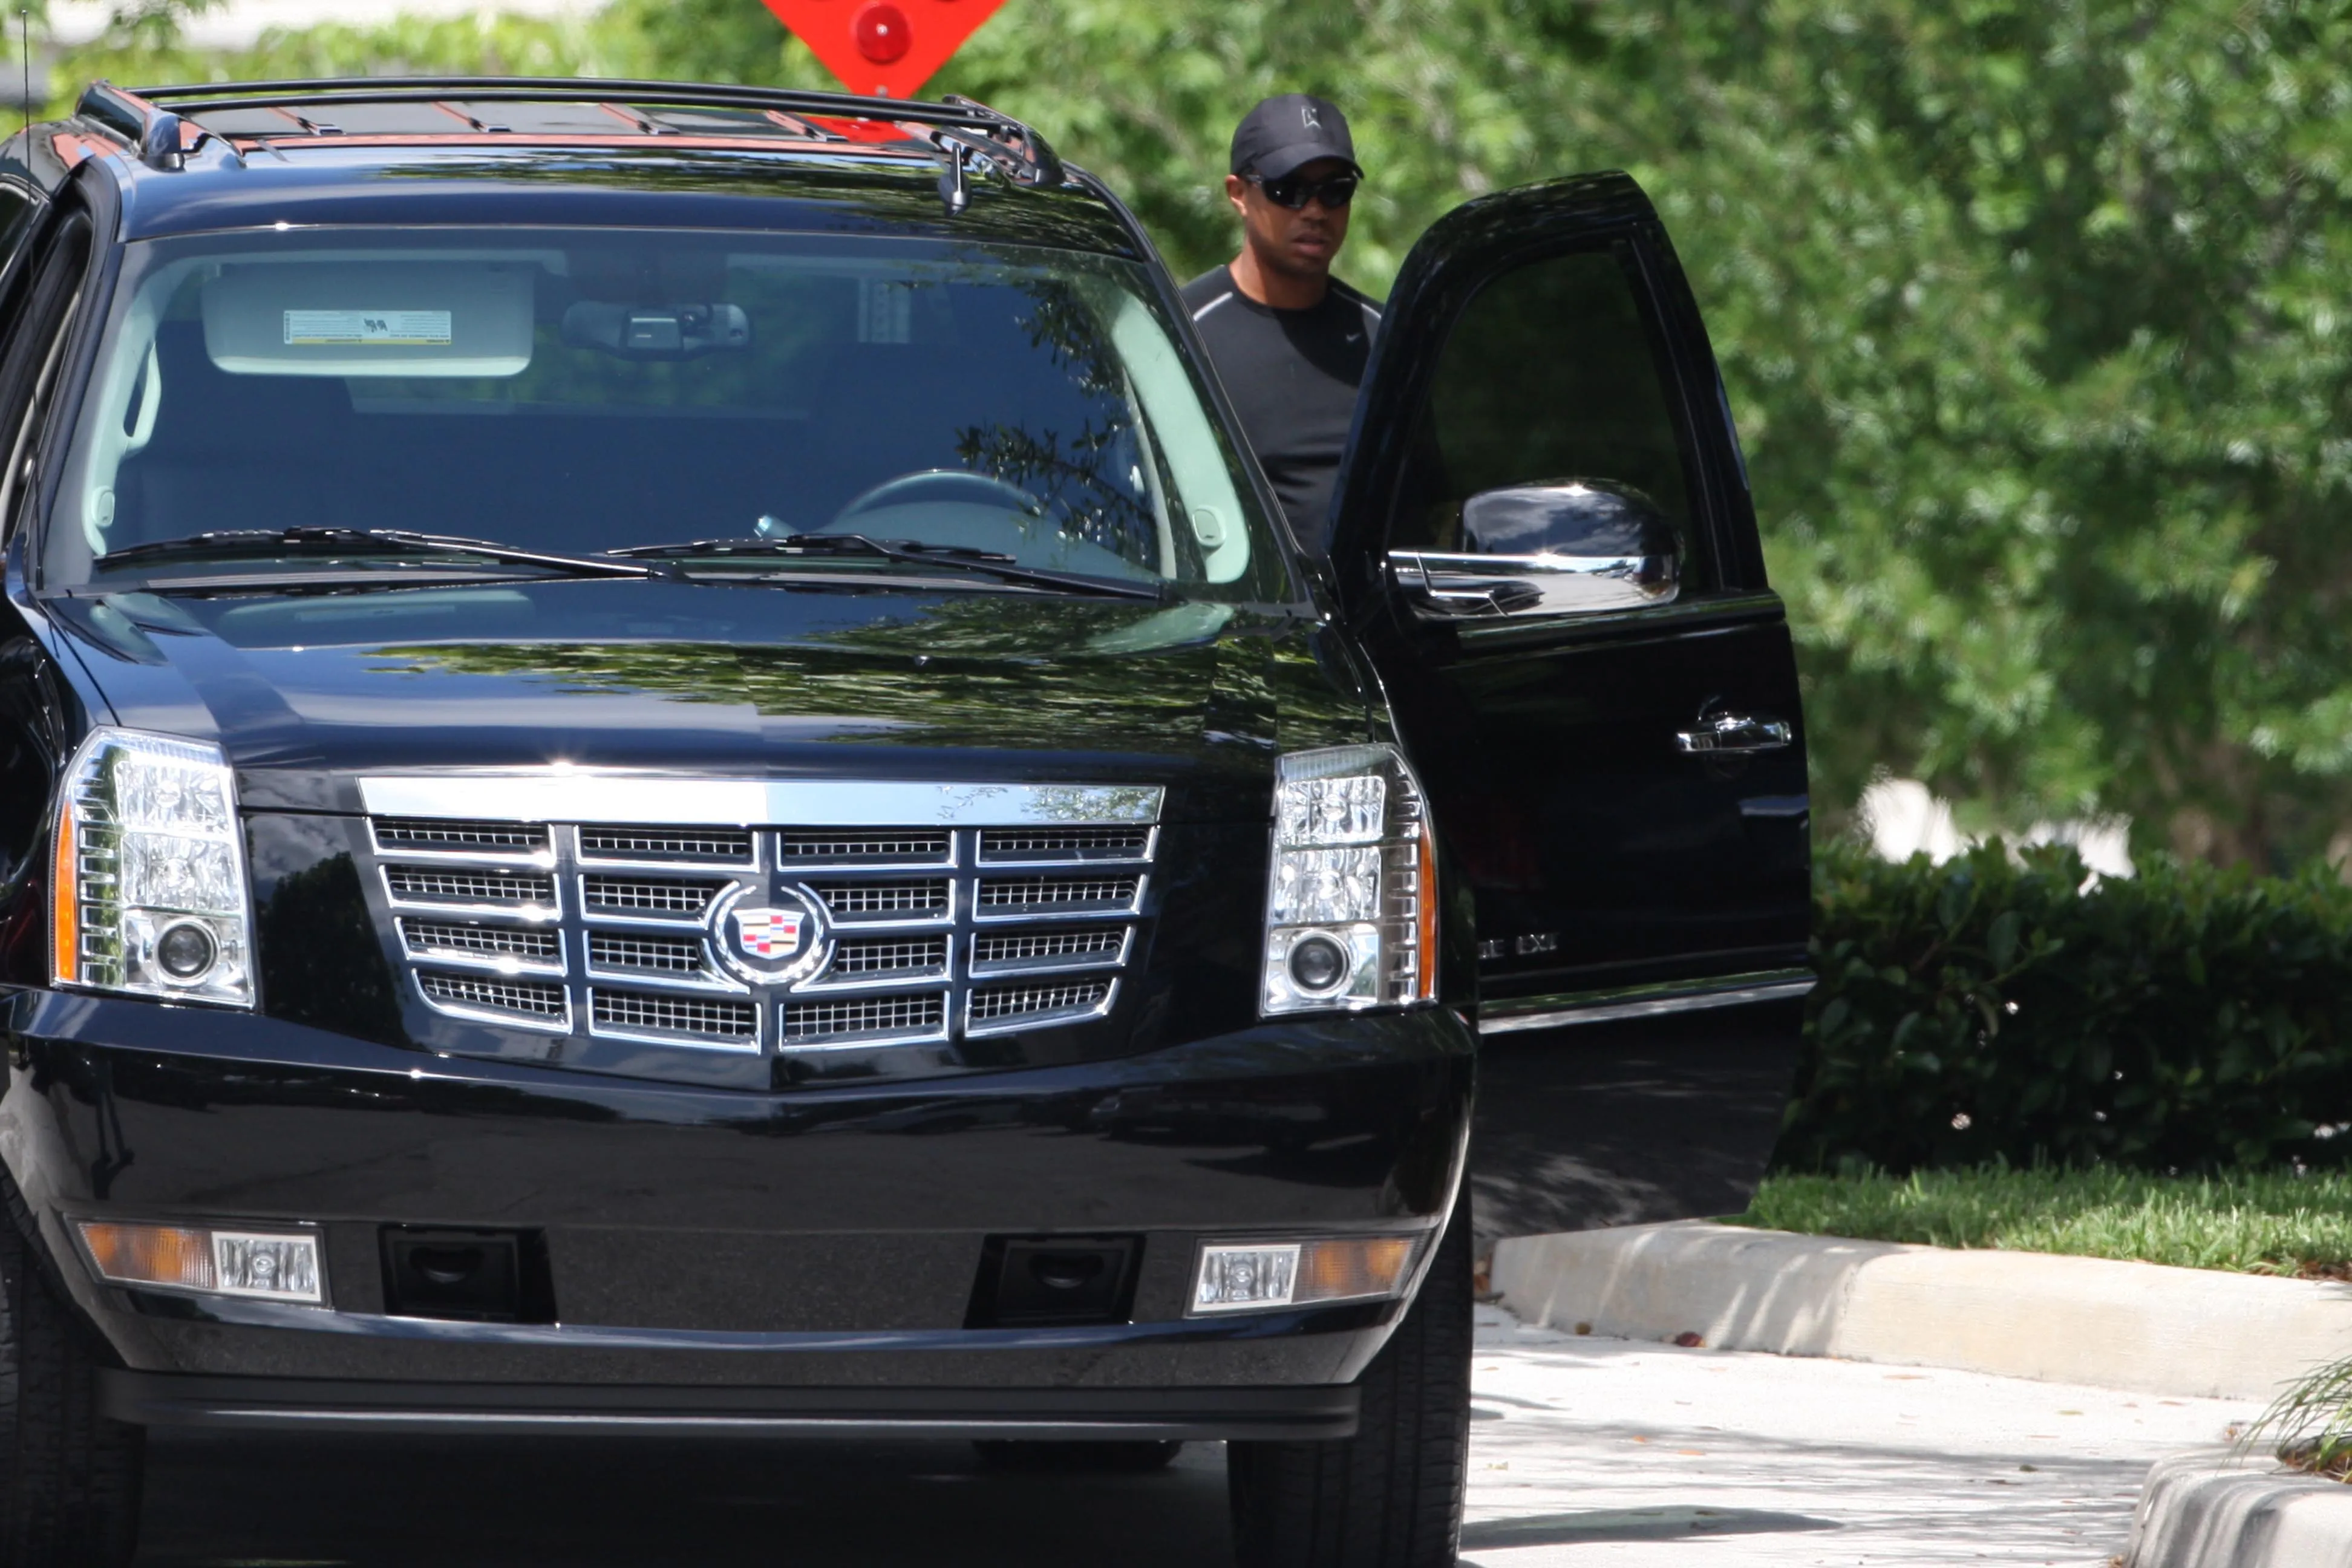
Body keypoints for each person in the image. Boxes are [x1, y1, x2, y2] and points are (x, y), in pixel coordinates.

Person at [1180, 93, 1379, 554]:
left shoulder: (1385, 339)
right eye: (1288, 190)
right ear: (1238, 194)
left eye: (1336, 190)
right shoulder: (1180, 337)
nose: (1315, 211)